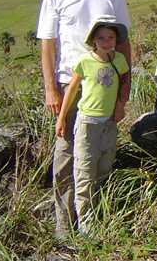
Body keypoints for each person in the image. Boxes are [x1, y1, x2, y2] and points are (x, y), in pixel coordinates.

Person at [37, 0, 131, 237]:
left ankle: (95, 217)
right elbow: (48, 43)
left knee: (102, 152)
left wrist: (123, 95)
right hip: (70, 85)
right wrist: (51, 88)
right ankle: (65, 223)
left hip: (106, 84)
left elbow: (124, 45)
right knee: (66, 154)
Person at [55, 16, 130, 234]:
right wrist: (61, 118)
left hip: (108, 123)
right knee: (84, 172)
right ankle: (87, 228)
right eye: (101, 38)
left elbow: (124, 82)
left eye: (110, 37)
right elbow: (71, 90)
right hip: (87, 123)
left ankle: (100, 215)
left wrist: (120, 104)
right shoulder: (85, 61)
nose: (106, 42)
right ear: (93, 40)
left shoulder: (119, 61)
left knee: (104, 169)